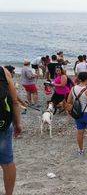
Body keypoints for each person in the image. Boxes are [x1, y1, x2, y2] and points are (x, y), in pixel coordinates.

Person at [66, 72, 87, 155]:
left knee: (80, 132)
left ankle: (81, 150)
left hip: (78, 114)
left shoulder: (73, 88)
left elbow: (68, 101)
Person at [0, 66, 22, 195]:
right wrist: (17, 123)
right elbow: (14, 101)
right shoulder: (4, 71)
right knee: (7, 162)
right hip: (3, 125)